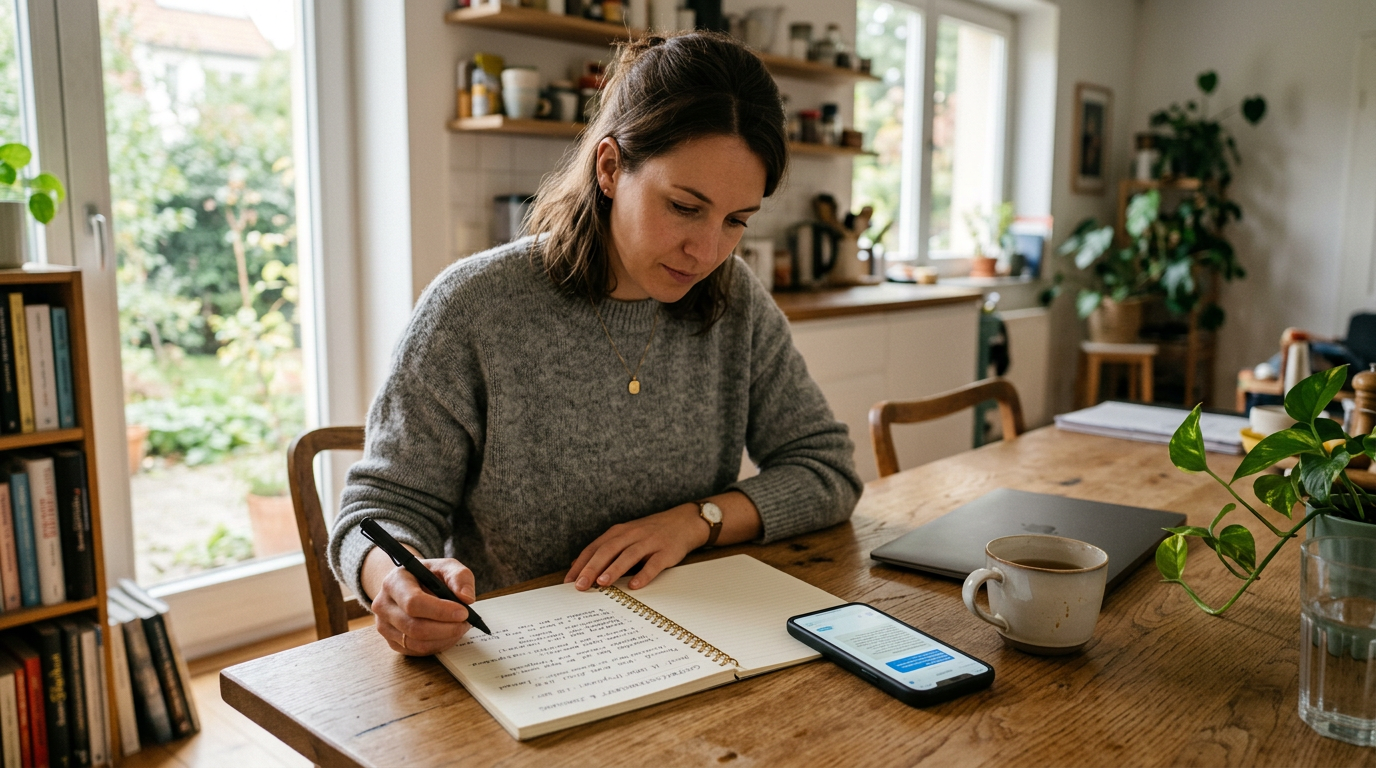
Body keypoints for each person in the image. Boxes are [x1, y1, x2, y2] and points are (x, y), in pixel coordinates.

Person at [328, 32, 862, 657]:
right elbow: (376, 511)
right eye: (686, 207)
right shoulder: (475, 308)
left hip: (693, 640)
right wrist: (394, 580)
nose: (709, 250)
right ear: (610, 168)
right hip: (516, 656)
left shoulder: (733, 299)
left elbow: (826, 469)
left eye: (737, 221)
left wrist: (695, 521)